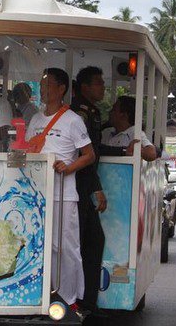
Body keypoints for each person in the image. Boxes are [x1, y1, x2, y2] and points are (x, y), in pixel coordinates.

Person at [26, 68, 96, 310]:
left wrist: (68, 167)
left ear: (61, 88)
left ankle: (71, 298)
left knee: (66, 247)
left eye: (48, 85)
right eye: (42, 84)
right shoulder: (35, 119)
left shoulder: (73, 120)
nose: (43, 89)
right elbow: (28, 151)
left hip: (64, 194)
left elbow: (89, 155)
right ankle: (46, 293)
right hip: (37, 194)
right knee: (42, 245)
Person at [71, 66, 107, 314]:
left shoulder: (91, 112)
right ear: (84, 87)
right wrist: (96, 188)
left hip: (84, 185)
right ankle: (79, 301)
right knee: (82, 243)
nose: (102, 87)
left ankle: (87, 301)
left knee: (91, 241)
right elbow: (87, 156)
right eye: (98, 83)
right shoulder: (79, 115)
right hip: (77, 185)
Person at [101, 96, 157, 161]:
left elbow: (152, 154)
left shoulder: (135, 133)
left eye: (114, 110)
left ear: (124, 115)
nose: (110, 112)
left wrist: (136, 150)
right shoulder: (106, 132)